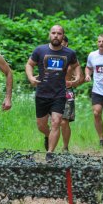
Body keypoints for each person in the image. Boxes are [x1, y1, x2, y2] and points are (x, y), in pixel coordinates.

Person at [25, 25, 81, 161]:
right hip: (42, 93)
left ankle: (50, 153)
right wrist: (31, 78)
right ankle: (48, 135)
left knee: (57, 122)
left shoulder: (69, 53)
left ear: (63, 36)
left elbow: (76, 65)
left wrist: (77, 78)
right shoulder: (40, 50)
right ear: (50, 34)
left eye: (59, 33)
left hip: (59, 94)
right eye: (53, 33)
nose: (56, 35)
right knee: (41, 125)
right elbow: (29, 65)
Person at [60, 36, 84, 152]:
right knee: (52, 122)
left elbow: (81, 79)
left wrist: (73, 82)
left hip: (67, 92)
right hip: (51, 91)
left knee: (64, 121)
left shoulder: (72, 59)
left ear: (67, 44)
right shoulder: (49, 55)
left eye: (63, 43)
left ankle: (65, 147)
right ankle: (48, 140)